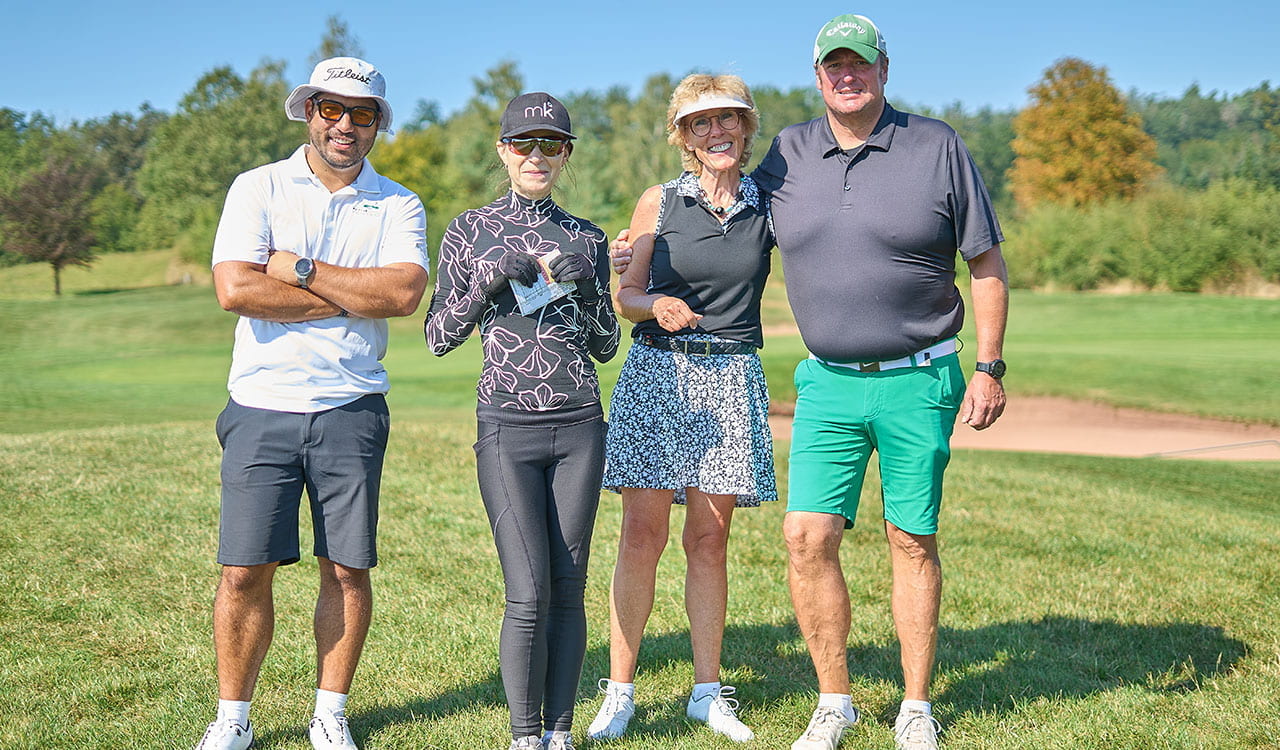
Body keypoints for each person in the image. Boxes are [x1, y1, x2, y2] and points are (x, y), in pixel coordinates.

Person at [611, 15, 1009, 750]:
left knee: (910, 538)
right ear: (818, 75)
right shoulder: (788, 156)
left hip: (918, 376)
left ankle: (916, 708)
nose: (846, 76)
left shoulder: (931, 147)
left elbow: (984, 262)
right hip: (823, 383)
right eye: (834, 65)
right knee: (804, 537)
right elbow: (678, 231)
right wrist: (626, 262)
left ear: (883, 69)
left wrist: (988, 364)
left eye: (859, 63)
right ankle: (835, 702)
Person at [196, 57, 428, 750]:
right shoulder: (256, 187)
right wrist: (349, 295)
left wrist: (297, 268)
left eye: (363, 115)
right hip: (261, 404)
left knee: (347, 568)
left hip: (351, 408)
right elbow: (235, 290)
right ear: (308, 111)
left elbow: (401, 296)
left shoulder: (399, 203)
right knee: (243, 570)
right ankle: (233, 721)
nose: (346, 126)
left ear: (378, 125)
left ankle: (330, 714)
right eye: (332, 110)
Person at [423, 92, 619, 750]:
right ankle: (524, 736)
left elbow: (605, 344)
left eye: (551, 145)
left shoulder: (587, 237)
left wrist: (590, 288)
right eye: (524, 144)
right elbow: (436, 336)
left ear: (566, 155)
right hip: (507, 427)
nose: (537, 156)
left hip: (580, 426)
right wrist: (484, 282)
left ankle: (560, 733)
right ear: (504, 151)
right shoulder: (468, 231)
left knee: (569, 584)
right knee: (528, 588)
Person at [587, 74, 776, 745]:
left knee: (709, 538)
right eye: (702, 124)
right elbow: (625, 294)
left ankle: (706, 693)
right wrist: (655, 305)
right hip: (658, 372)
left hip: (730, 376)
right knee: (642, 535)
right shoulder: (659, 202)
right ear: (685, 137)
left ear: (747, 128)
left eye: (728, 120)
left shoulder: (769, 204)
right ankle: (619, 692)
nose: (717, 132)